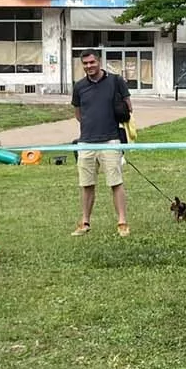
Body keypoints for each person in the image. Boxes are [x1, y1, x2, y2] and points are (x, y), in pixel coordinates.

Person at [70, 50, 132, 237]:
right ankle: (85, 222)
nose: (89, 66)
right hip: (86, 142)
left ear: (99, 61)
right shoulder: (79, 86)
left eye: (92, 62)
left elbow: (128, 105)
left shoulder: (116, 81)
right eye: (85, 64)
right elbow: (78, 114)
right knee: (86, 184)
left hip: (111, 139)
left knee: (116, 182)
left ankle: (122, 222)